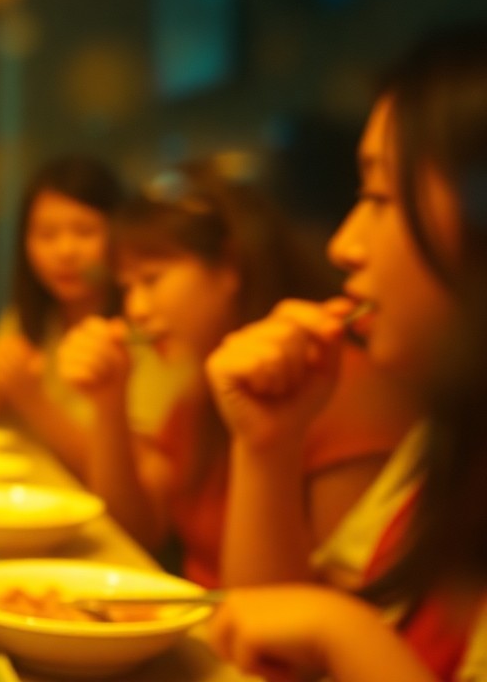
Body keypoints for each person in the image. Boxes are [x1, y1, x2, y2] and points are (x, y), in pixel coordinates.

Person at [207, 24, 487, 681]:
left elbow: (319, 632)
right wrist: (268, 447)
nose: (344, 245)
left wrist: (346, 638)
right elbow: (265, 645)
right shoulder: (445, 449)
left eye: (382, 198)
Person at [57, 157, 415, 588]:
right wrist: (108, 401)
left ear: (229, 267)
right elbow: (135, 532)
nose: (136, 310)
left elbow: (328, 608)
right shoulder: (201, 386)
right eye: (128, 287)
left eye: (151, 280)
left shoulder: (342, 390)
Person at [0, 156, 184, 473]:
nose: (64, 252)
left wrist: (30, 399)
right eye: (46, 235)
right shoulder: (33, 315)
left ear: (119, 236)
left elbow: (130, 479)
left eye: (85, 232)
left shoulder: (143, 328)